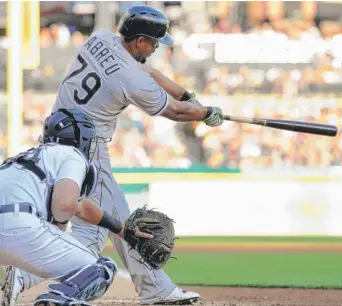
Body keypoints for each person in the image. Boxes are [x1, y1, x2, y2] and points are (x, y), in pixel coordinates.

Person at [2, 5, 224, 306]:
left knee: (89, 238)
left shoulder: (101, 39)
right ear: (141, 41)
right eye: (155, 41)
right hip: (86, 148)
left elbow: (153, 75)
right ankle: (156, 290)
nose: (157, 47)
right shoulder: (131, 78)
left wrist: (188, 96)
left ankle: (22, 277)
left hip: (57, 135)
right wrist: (207, 112)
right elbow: (174, 111)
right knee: (121, 220)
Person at [0, 109, 154, 306]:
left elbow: (80, 207)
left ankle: (20, 276)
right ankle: (57, 299)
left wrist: (123, 230)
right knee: (100, 269)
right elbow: (66, 204)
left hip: (14, 224)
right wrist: (60, 223)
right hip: (19, 227)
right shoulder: (71, 154)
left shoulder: (27, 157)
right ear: (81, 138)